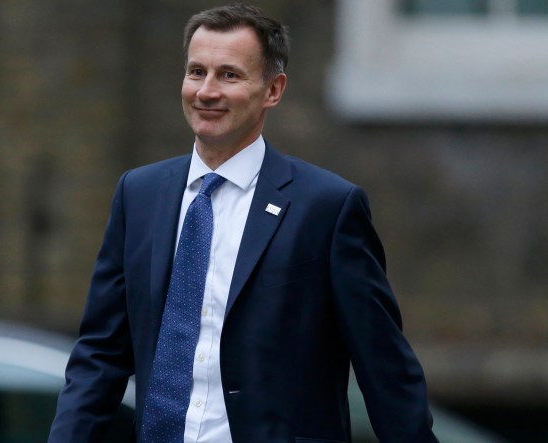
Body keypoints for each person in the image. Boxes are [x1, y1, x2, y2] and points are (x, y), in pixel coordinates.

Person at [48, 3, 438, 442]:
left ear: (273, 89)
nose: (206, 91)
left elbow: (385, 370)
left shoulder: (327, 208)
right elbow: (99, 355)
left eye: (229, 75)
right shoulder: (139, 194)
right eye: (197, 72)